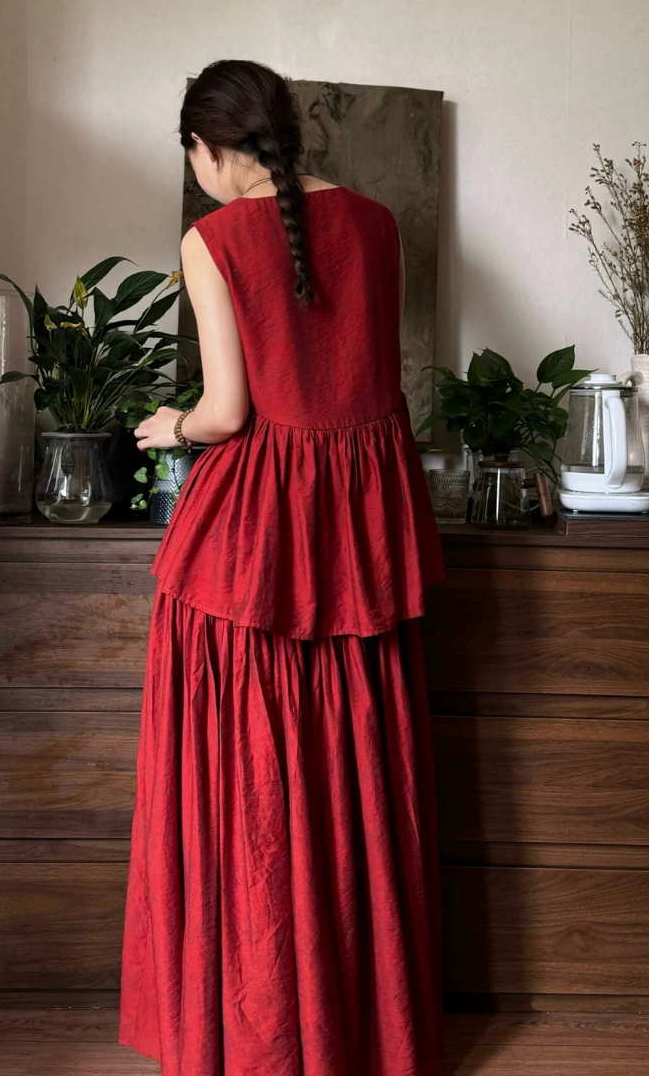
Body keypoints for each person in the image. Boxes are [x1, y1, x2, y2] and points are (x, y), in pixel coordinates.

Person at [118, 58, 445, 1076]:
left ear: (211, 148)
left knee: (249, 794)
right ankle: (362, 1024)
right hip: (359, 550)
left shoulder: (213, 239)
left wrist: (167, 424)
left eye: (192, 154)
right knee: (352, 781)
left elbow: (227, 414)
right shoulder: (381, 225)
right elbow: (365, 393)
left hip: (248, 559)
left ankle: (251, 1029)